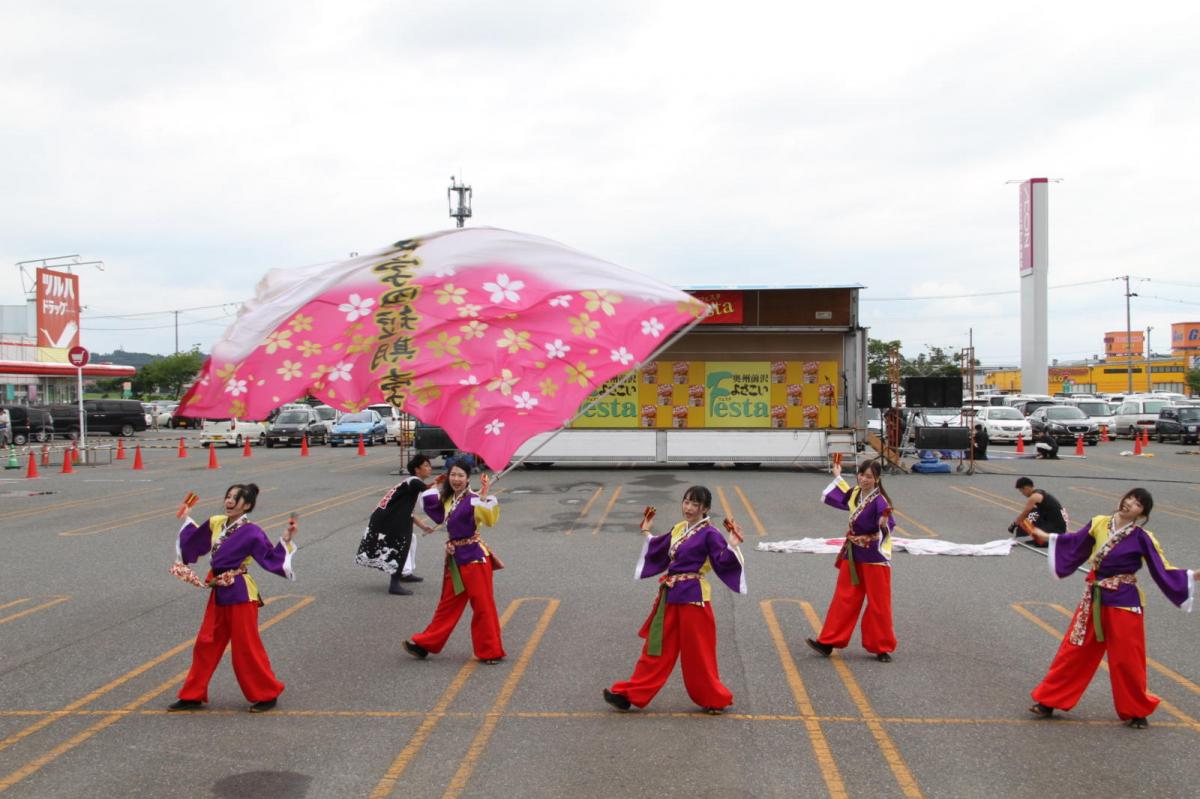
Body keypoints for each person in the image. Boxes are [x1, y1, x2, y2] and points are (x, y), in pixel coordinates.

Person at [1026, 488, 1195, 729]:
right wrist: (1047, 536)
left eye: (1137, 504)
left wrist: (1193, 576)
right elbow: (1075, 543)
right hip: (1094, 598)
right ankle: (1048, 701)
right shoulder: (1098, 522)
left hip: (1125, 601)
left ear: (1141, 514)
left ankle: (1136, 710)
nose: (1130, 503)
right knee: (1074, 650)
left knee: (1127, 659)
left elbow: (1162, 568)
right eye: (1129, 498)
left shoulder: (1142, 537)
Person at [604, 486, 745, 713]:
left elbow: (722, 561)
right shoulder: (680, 528)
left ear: (705, 509)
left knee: (698, 653)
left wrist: (733, 546)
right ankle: (630, 694)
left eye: (695, 504)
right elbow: (660, 547)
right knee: (656, 647)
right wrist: (646, 531)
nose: (688, 508)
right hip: (670, 595)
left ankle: (714, 699)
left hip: (694, 598)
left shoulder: (710, 533)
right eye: (686, 502)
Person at [168, 483, 297, 713]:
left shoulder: (252, 531)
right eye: (228, 496)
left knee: (245, 646)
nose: (229, 501)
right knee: (206, 642)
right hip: (219, 590)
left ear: (246, 505)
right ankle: (192, 695)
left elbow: (270, 557)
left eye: (235, 498)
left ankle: (267, 694)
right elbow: (195, 541)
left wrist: (285, 540)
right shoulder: (216, 522)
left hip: (240, 592)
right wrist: (187, 517)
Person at [403, 459, 505, 664]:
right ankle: (425, 645)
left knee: (483, 605)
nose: (456, 479)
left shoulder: (475, 499)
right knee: (447, 606)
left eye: (460, 475)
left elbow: (490, 521)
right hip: (455, 559)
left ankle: (491, 651)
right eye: (453, 475)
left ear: (468, 478)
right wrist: (433, 487)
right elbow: (438, 515)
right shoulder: (450, 499)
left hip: (475, 560)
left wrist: (483, 498)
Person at [806, 459, 897, 662]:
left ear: (877, 479)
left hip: (874, 557)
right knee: (844, 598)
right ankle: (828, 642)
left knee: (878, 603)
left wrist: (883, 524)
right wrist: (837, 475)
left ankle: (881, 647)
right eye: (861, 475)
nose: (864, 479)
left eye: (869, 477)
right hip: (853, 552)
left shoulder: (880, 501)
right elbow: (844, 495)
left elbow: (888, 525)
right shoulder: (856, 493)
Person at [356, 453, 435, 594]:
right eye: (426, 465)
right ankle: (394, 584)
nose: (430, 468)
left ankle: (405, 573)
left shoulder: (411, 484)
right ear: (417, 469)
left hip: (387, 517)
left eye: (429, 465)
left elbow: (409, 512)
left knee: (411, 540)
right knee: (401, 544)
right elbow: (431, 494)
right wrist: (442, 484)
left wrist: (423, 526)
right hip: (388, 519)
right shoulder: (415, 482)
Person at [1009, 476, 1067, 547]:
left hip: (1057, 527)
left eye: (1021, 491)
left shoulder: (1034, 497)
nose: (1022, 493)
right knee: (1029, 518)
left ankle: (1051, 541)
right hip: (1051, 521)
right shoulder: (1039, 492)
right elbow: (1034, 512)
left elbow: (1025, 513)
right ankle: (1039, 537)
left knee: (1028, 522)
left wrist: (1014, 525)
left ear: (1026, 488)